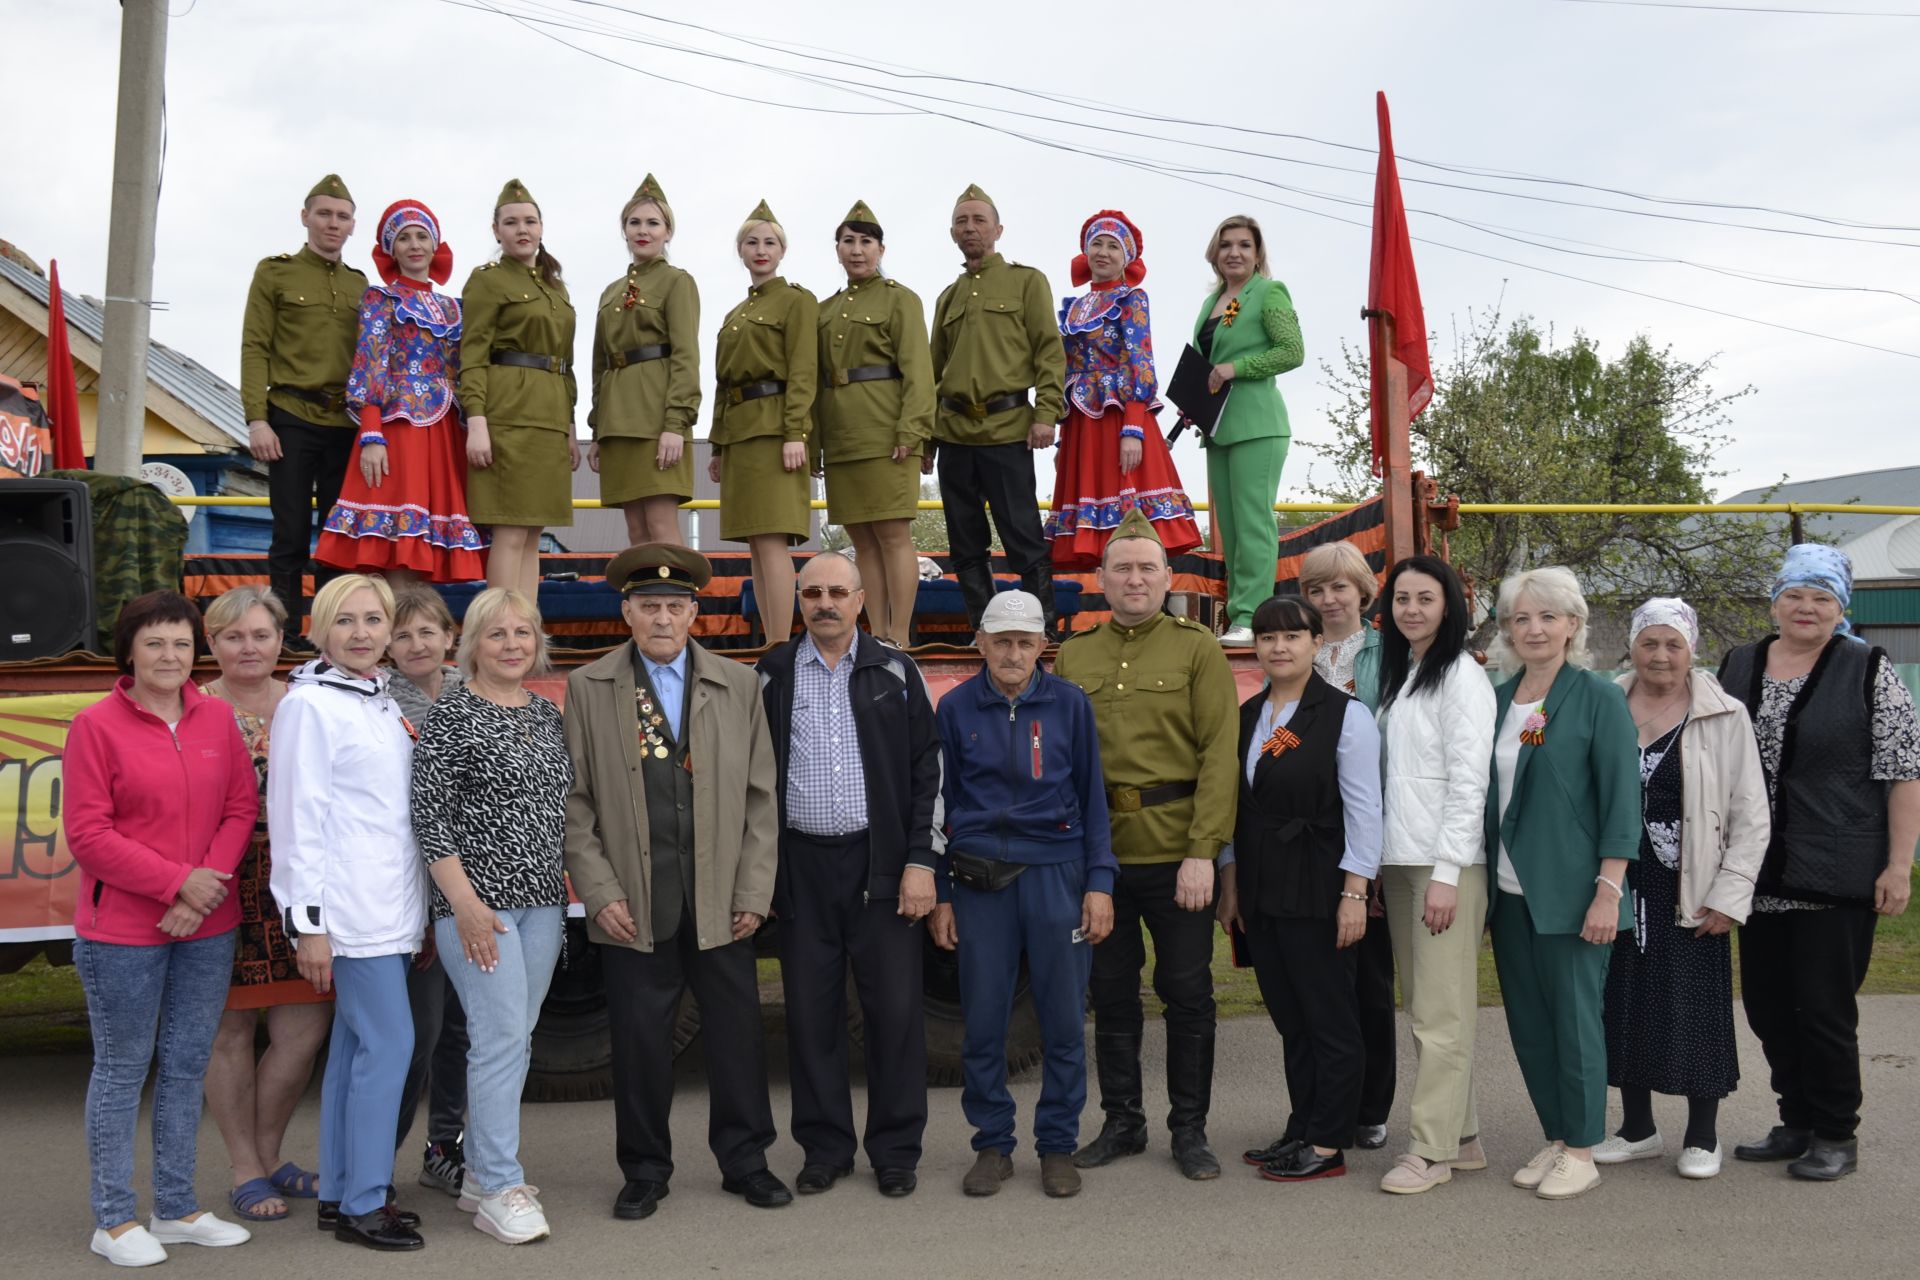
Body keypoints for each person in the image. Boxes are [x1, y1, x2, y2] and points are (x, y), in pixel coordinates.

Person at [562, 543, 788, 1218]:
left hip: (721, 899)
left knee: (737, 1037)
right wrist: (600, 894)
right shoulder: (590, 687)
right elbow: (576, 804)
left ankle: (747, 1161)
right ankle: (645, 1170)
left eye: (674, 606)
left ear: (695, 612)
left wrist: (754, 891)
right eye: (648, 606)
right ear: (626, 612)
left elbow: (759, 798)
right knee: (638, 1043)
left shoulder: (738, 683)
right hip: (636, 900)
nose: (662, 618)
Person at [64, 591, 259, 1267]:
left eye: (181, 643)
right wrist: (176, 882)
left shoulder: (217, 719)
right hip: (120, 930)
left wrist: (201, 890)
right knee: (123, 1070)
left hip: (207, 923)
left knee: (185, 1065)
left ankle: (174, 1207)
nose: (170, 656)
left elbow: (240, 808)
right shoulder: (95, 725)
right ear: (128, 652)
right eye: (154, 644)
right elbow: (88, 834)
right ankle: (113, 1219)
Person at [1718, 544, 1920, 1181]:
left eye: (1822, 599)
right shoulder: (1739, 662)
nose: (1807, 609)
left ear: (1841, 609)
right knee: (1769, 1007)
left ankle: (1837, 1133)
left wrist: (1899, 865)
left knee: (1824, 1009)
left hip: (1837, 870)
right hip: (1757, 875)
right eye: (1795, 596)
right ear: (1775, 602)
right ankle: (1795, 1120)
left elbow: (1903, 771)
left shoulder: (1868, 668)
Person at [1052, 509, 1237, 1180]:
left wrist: (1203, 850)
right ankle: (1122, 1122)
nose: (1134, 579)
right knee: (1111, 992)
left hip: (1176, 851)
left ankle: (1189, 1130)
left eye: (1146, 568)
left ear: (1168, 577)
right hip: (1101, 857)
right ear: (1100, 578)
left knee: (1186, 991)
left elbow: (1220, 754)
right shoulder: (1075, 655)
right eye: (1121, 567)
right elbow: (1067, 764)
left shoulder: (1197, 648)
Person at [756, 552, 942, 1197]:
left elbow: (928, 772)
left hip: (881, 867)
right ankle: (824, 1148)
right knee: (810, 1015)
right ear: (797, 601)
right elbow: (753, 780)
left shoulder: (895, 668)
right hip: (802, 867)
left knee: (893, 1015)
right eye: (812, 593)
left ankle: (895, 1152)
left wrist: (919, 862)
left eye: (838, 591)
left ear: (861, 599)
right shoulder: (773, 672)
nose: (825, 603)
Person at [929, 590, 1117, 1199]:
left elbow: (1093, 800)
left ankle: (1057, 1146)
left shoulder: (1069, 705)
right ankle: (992, 1145)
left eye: (1025, 642)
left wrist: (1099, 883)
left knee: (1063, 1019)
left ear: (1043, 646)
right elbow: (940, 805)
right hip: (980, 879)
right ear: (979, 643)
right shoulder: (954, 708)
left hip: (1058, 873)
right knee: (983, 1020)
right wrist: (942, 891)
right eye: (1001, 641)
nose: (1013, 653)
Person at [269, 574, 430, 1250]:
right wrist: (308, 923)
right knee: (389, 1047)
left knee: (355, 1054)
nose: (362, 634)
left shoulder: (378, 698)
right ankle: (367, 1202)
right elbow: (296, 820)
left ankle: (339, 1190)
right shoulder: (309, 706)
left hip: (391, 908)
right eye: (347, 621)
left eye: (374, 620)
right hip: (350, 915)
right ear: (321, 629)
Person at [410, 588, 572, 1243]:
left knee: (516, 1037)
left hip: (543, 905)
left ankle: (479, 1168)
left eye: (523, 633)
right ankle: (500, 1186)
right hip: (480, 908)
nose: (511, 644)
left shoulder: (544, 712)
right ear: (472, 643)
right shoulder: (451, 715)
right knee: (501, 1037)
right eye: (497, 633)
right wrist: (467, 906)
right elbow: (429, 816)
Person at [1597, 597, 1769, 1180]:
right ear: (1632, 647)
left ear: (1691, 649)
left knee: (1694, 1005)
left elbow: (1751, 813)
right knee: (1622, 1002)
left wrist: (1730, 893)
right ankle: (1637, 1128)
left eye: (1673, 644)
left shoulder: (1724, 714)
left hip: (1690, 882)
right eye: (1650, 642)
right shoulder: (1606, 705)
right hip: (1617, 880)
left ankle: (1702, 1135)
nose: (1661, 655)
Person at [1484, 566, 1639, 1202]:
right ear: (1507, 630)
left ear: (1573, 625)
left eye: (1548, 616)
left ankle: (1582, 1147)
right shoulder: (1496, 698)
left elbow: (1621, 802)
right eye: (1521, 618)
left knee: (1576, 1023)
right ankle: (1555, 1137)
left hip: (1575, 894)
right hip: (1507, 891)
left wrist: (1609, 888)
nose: (1535, 628)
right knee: (1528, 1022)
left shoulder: (1597, 697)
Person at [1217, 595, 1383, 1183]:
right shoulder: (1249, 716)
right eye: (1267, 637)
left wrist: (1355, 894)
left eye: (1292, 635)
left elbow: (1366, 812)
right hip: (1263, 887)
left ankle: (1329, 1140)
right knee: (1292, 1017)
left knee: (1329, 1017)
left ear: (1317, 643)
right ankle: (1302, 1124)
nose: (1279, 647)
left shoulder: (1346, 715)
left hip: (1319, 884)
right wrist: (1230, 881)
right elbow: (1238, 809)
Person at [199, 586, 334, 1226]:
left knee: (303, 1031)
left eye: (259, 634)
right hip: (222, 891)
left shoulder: (309, 704)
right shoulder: (194, 709)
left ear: (282, 639)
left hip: (302, 891)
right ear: (212, 644)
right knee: (227, 1035)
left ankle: (270, 1154)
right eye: (232, 636)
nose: (248, 647)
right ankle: (243, 1168)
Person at [1370, 554, 1496, 1195]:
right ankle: (1463, 1136)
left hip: (1444, 866)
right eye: (1401, 599)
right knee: (1424, 1007)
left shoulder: (1460, 679)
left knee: (1442, 1014)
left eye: (1425, 598)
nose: (1411, 609)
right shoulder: (1405, 674)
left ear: (1449, 606)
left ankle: (1430, 1150)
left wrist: (1447, 872)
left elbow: (1470, 783)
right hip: (1401, 858)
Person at [315, 198, 486, 583]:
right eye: (404, 237)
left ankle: (418, 636)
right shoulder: (381, 298)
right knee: (398, 543)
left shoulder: (455, 307)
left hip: (446, 433)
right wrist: (371, 432)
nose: (414, 245)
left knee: (431, 548)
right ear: (391, 249)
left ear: (435, 245)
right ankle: (392, 637)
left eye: (422, 236)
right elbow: (369, 362)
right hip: (399, 428)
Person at [930, 183, 1067, 634]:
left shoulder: (1027, 281)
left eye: (979, 220)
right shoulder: (947, 297)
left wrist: (1046, 411)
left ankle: (1038, 630)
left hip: (1008, 427)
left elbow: (1049, 350)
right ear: (952, 232)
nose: (970, 228)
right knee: (964, 546)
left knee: (1023, 537)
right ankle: (983, 632)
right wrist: (927, 437)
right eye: (962, 221)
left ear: (998, 229)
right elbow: (934, 370)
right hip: (953, 433)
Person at [240, 174, 369, 635]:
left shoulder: (361, 284)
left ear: (353, 225)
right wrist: (257, 419)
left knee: (338, 538)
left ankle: (331, 635)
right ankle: (285, 633)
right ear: (305, 217)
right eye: (324, 214)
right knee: (290, 533)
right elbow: (255, 346)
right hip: (291, 417)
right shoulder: (275, 272)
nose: (333, 224)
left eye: (342, 216)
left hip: (345, 423)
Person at [1299, 540, 1393, 1148]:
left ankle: (1371, 1107)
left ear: (1363, 590)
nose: (1329, 599)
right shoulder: (1298, 652)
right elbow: (1281, 735)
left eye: (1339, 587)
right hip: (1309, 841)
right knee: (1319, 978)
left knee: (1369, 979)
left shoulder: (1393, 654)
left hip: (1372, 828)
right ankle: (1322, 1101)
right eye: (1316, 589)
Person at [1045, 210, 1199, 571]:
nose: (1103, 252)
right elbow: (1065, 369)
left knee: (1133, 522)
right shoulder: (1075, 308)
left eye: (1113, 246)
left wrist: (1133, 428)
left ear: (1126, 256)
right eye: (1096, 244)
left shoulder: (1132, 298)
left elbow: (1141, 362)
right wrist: (1061, 441)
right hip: (1081, 426)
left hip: (1119, 418)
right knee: (1096, 523)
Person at [813, 199, 934, 646]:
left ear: (882, 249)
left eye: (866, 242)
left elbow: (919, 372)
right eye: (848, 241)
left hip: (887, 432)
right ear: (837, 249)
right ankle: (876, 632)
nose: (857, 250)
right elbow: (818, 381)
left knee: (893, 534)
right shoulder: (825, 310)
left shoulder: (900, 299)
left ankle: (899, 635)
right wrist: (815, 443)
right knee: (861, 538)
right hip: (842, 434)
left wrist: (912, 430)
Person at [385, 585, 470, 1199]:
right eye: (403, 634)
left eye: (427, 632)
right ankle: (372, 1162)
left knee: (468, 1029)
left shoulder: (474, 693)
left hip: (477, 885)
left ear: (450, 636)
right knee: (415, 1032)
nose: (417, 645)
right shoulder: (380, 701)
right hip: (410, 886)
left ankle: (445, 1146)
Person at [458, 178, 579, 602]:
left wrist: (569, 426)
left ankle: (524, 629)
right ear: (497, 231)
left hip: (548, 416)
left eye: (530, 221)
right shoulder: (487, 281)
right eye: (511, 222)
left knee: (532, 531)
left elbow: (566, 362)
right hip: (506, 414)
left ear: (542, 227)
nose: (521, 229)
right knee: (509, 530)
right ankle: (499, 629)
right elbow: (471, 355)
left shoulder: (555, 286)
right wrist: (476, 420)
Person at [708, 199, 818, 648]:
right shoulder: (735, 315)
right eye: (751, 242)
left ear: (782, 251)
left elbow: (803, 371)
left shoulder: (795, 301)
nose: (760, 249)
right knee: (755, 543)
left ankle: (779, 643)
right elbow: (722, 381)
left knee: (772, 541)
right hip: (740, 433)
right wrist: (717, 444)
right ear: (740, 250)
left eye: (769, 242)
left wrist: (796, 432)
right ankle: (769, 643)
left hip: (775, 430)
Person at [1190, 215, 1303, 647]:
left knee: (1254, 523)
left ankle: (1254, 615)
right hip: (1217, 426)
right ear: (1214, 254)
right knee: (1231, 529)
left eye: (1244, 245)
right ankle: (1239, 615)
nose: (1234, 252)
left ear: (1258, 255)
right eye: (1226, 245)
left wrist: (1236, 368)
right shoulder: (1212, 301)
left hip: (1257, 423)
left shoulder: (1269, 292)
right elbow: (1207, 362)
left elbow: (1292, 351)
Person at [588, 173, 700, 547]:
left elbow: (686, 357)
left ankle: (677, 605)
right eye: (634, 222)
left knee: (661, 526)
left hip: (656, 420)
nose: (643, 230)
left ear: (668, 231)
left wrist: (675, 423)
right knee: (635, 530)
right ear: (624, 230)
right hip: (617, 423)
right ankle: (646, 605)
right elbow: (599, 365)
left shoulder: (676, 281)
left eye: (653, 223)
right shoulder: (610, 292)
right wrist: (597, 431)